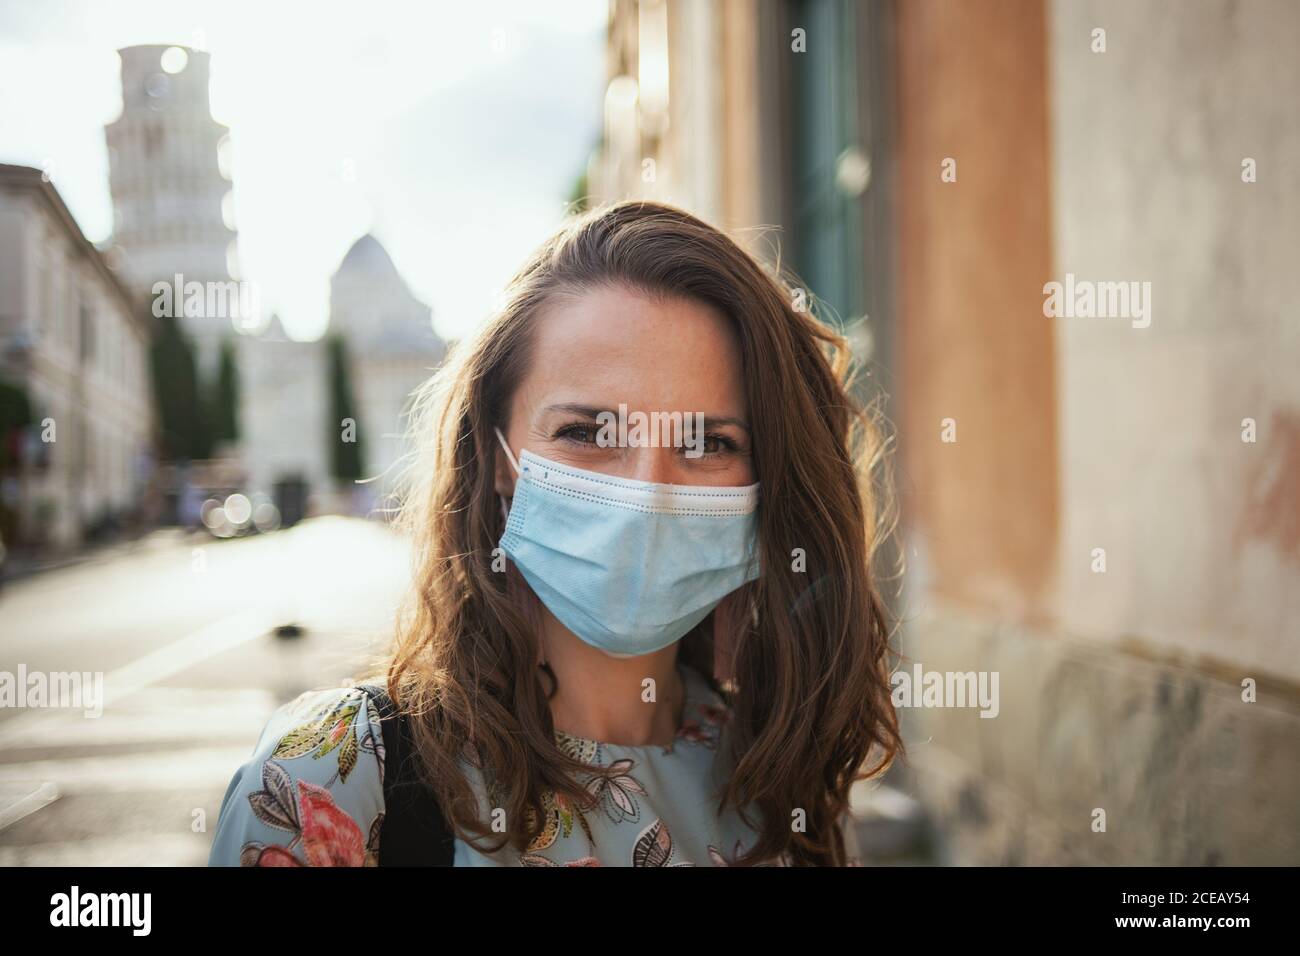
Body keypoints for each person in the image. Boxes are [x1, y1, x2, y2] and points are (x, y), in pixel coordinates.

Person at [208, 200, 902, 867]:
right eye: (587, 432)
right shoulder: (333, 781)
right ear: (498, 459)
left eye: (708, 441)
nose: (648, 493)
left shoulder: (785, 785)